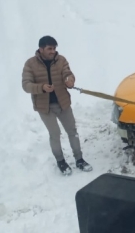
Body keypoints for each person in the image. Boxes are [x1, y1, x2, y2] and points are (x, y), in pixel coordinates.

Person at [21, 36, 92, 175]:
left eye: (54, 48)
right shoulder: (30, 64)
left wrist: (69, 80)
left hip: (63, 103)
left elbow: (68, 73)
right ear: (41, 49)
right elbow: (26, 85)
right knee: (55, 134)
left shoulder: (61, 60)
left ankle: (79, 159)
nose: (53, 51)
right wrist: (41, 87)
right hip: (45, 107)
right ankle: (61, 161)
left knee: (73, 132)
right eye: (49, 48)